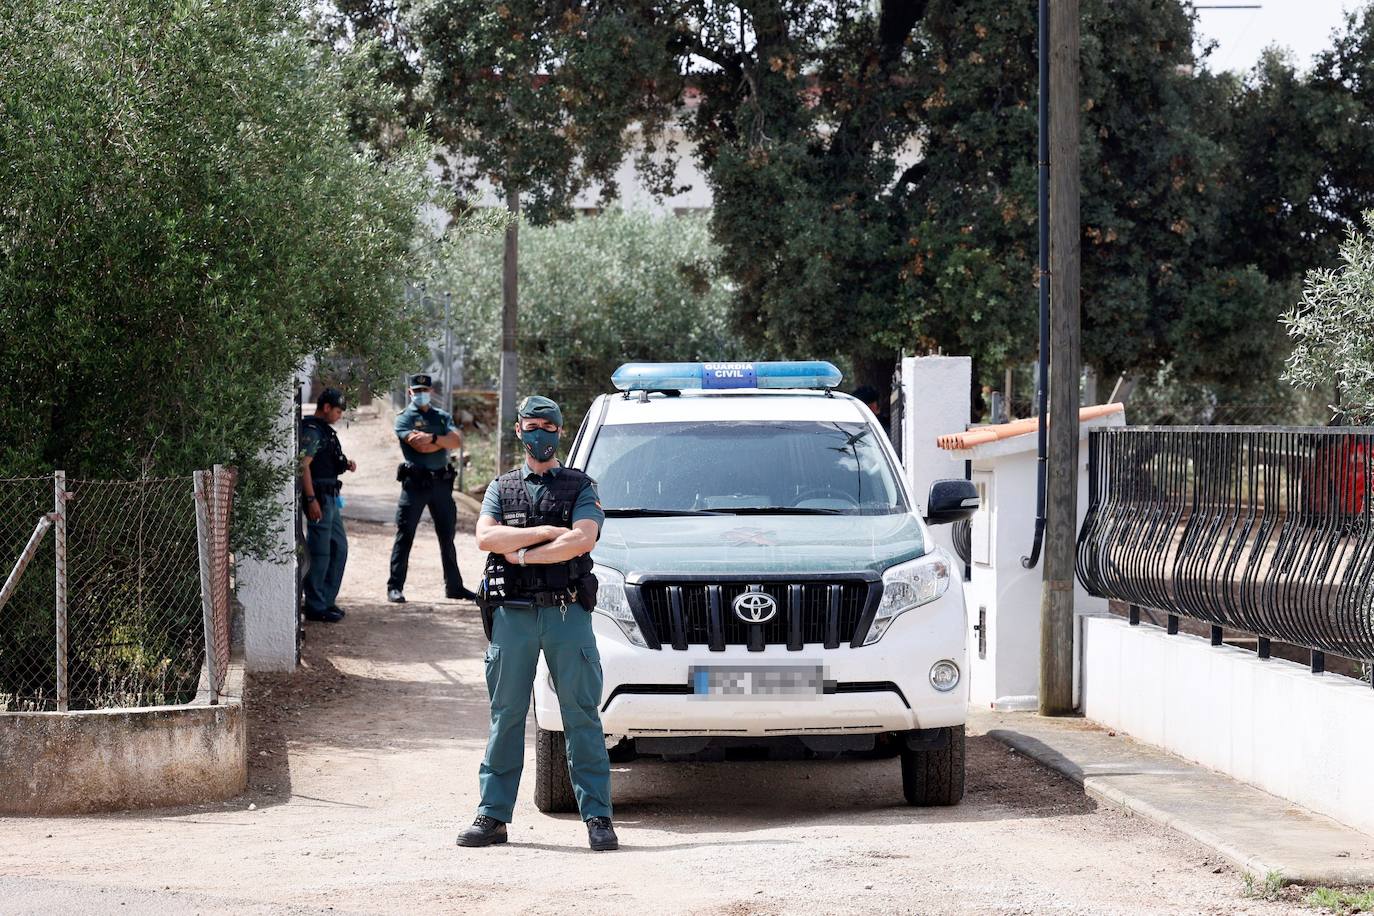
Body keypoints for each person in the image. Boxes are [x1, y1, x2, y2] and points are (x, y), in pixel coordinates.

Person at [457, 395, 617, 852]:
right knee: (505, 716)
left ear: (560, 432)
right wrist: (546, 533)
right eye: (531, 426)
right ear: (518, 431)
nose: (539, 434)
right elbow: (486, 536)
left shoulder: (580, 486)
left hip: (567, 614)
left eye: (548, 426)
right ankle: (492, 816)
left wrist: (522, 551)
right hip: (513, 616)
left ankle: (598, 817)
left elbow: (582, 539)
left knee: (582, 715)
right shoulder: (500, 487)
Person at [387, 374, 476, 603]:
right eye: (416, 391)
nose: (420, 394)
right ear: (410, 393)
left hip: (441, 484)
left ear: (431, 391)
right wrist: (439, 441)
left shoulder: (442, 416)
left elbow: (456, 441)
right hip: (415, 484)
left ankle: (454, 587)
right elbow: (418, 445)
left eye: (424, 390)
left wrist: (433, 438)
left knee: (447, 536)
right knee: (405, 534)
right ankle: (395, 586)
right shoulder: (404, 418)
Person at [300, 387, 355, 624]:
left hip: (330, 497)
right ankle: (315, 604)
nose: (339, 415)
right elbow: (304, 466)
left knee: (339, 549)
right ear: (326, 408)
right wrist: (311, 499)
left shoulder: (324, 432)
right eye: (338, 410)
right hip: (320, 499)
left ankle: (326, 600)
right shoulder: (313, 431)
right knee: (321, 553)